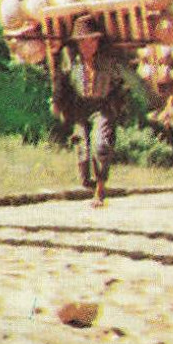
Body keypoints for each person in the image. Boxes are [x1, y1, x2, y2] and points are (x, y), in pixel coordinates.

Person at [49, 13, 128, 207]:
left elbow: (126, 82)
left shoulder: (110, 61)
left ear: (97, 41)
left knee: (101, 146)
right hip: (79, 109)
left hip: (103, 107)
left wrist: (121, 106)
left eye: (90, 41)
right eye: (82, 42)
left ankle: (100, 191)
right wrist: (58, 104)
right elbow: (60, 81)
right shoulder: (70, 59)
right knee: (83, 154)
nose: (86, 46)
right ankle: (89, 182)